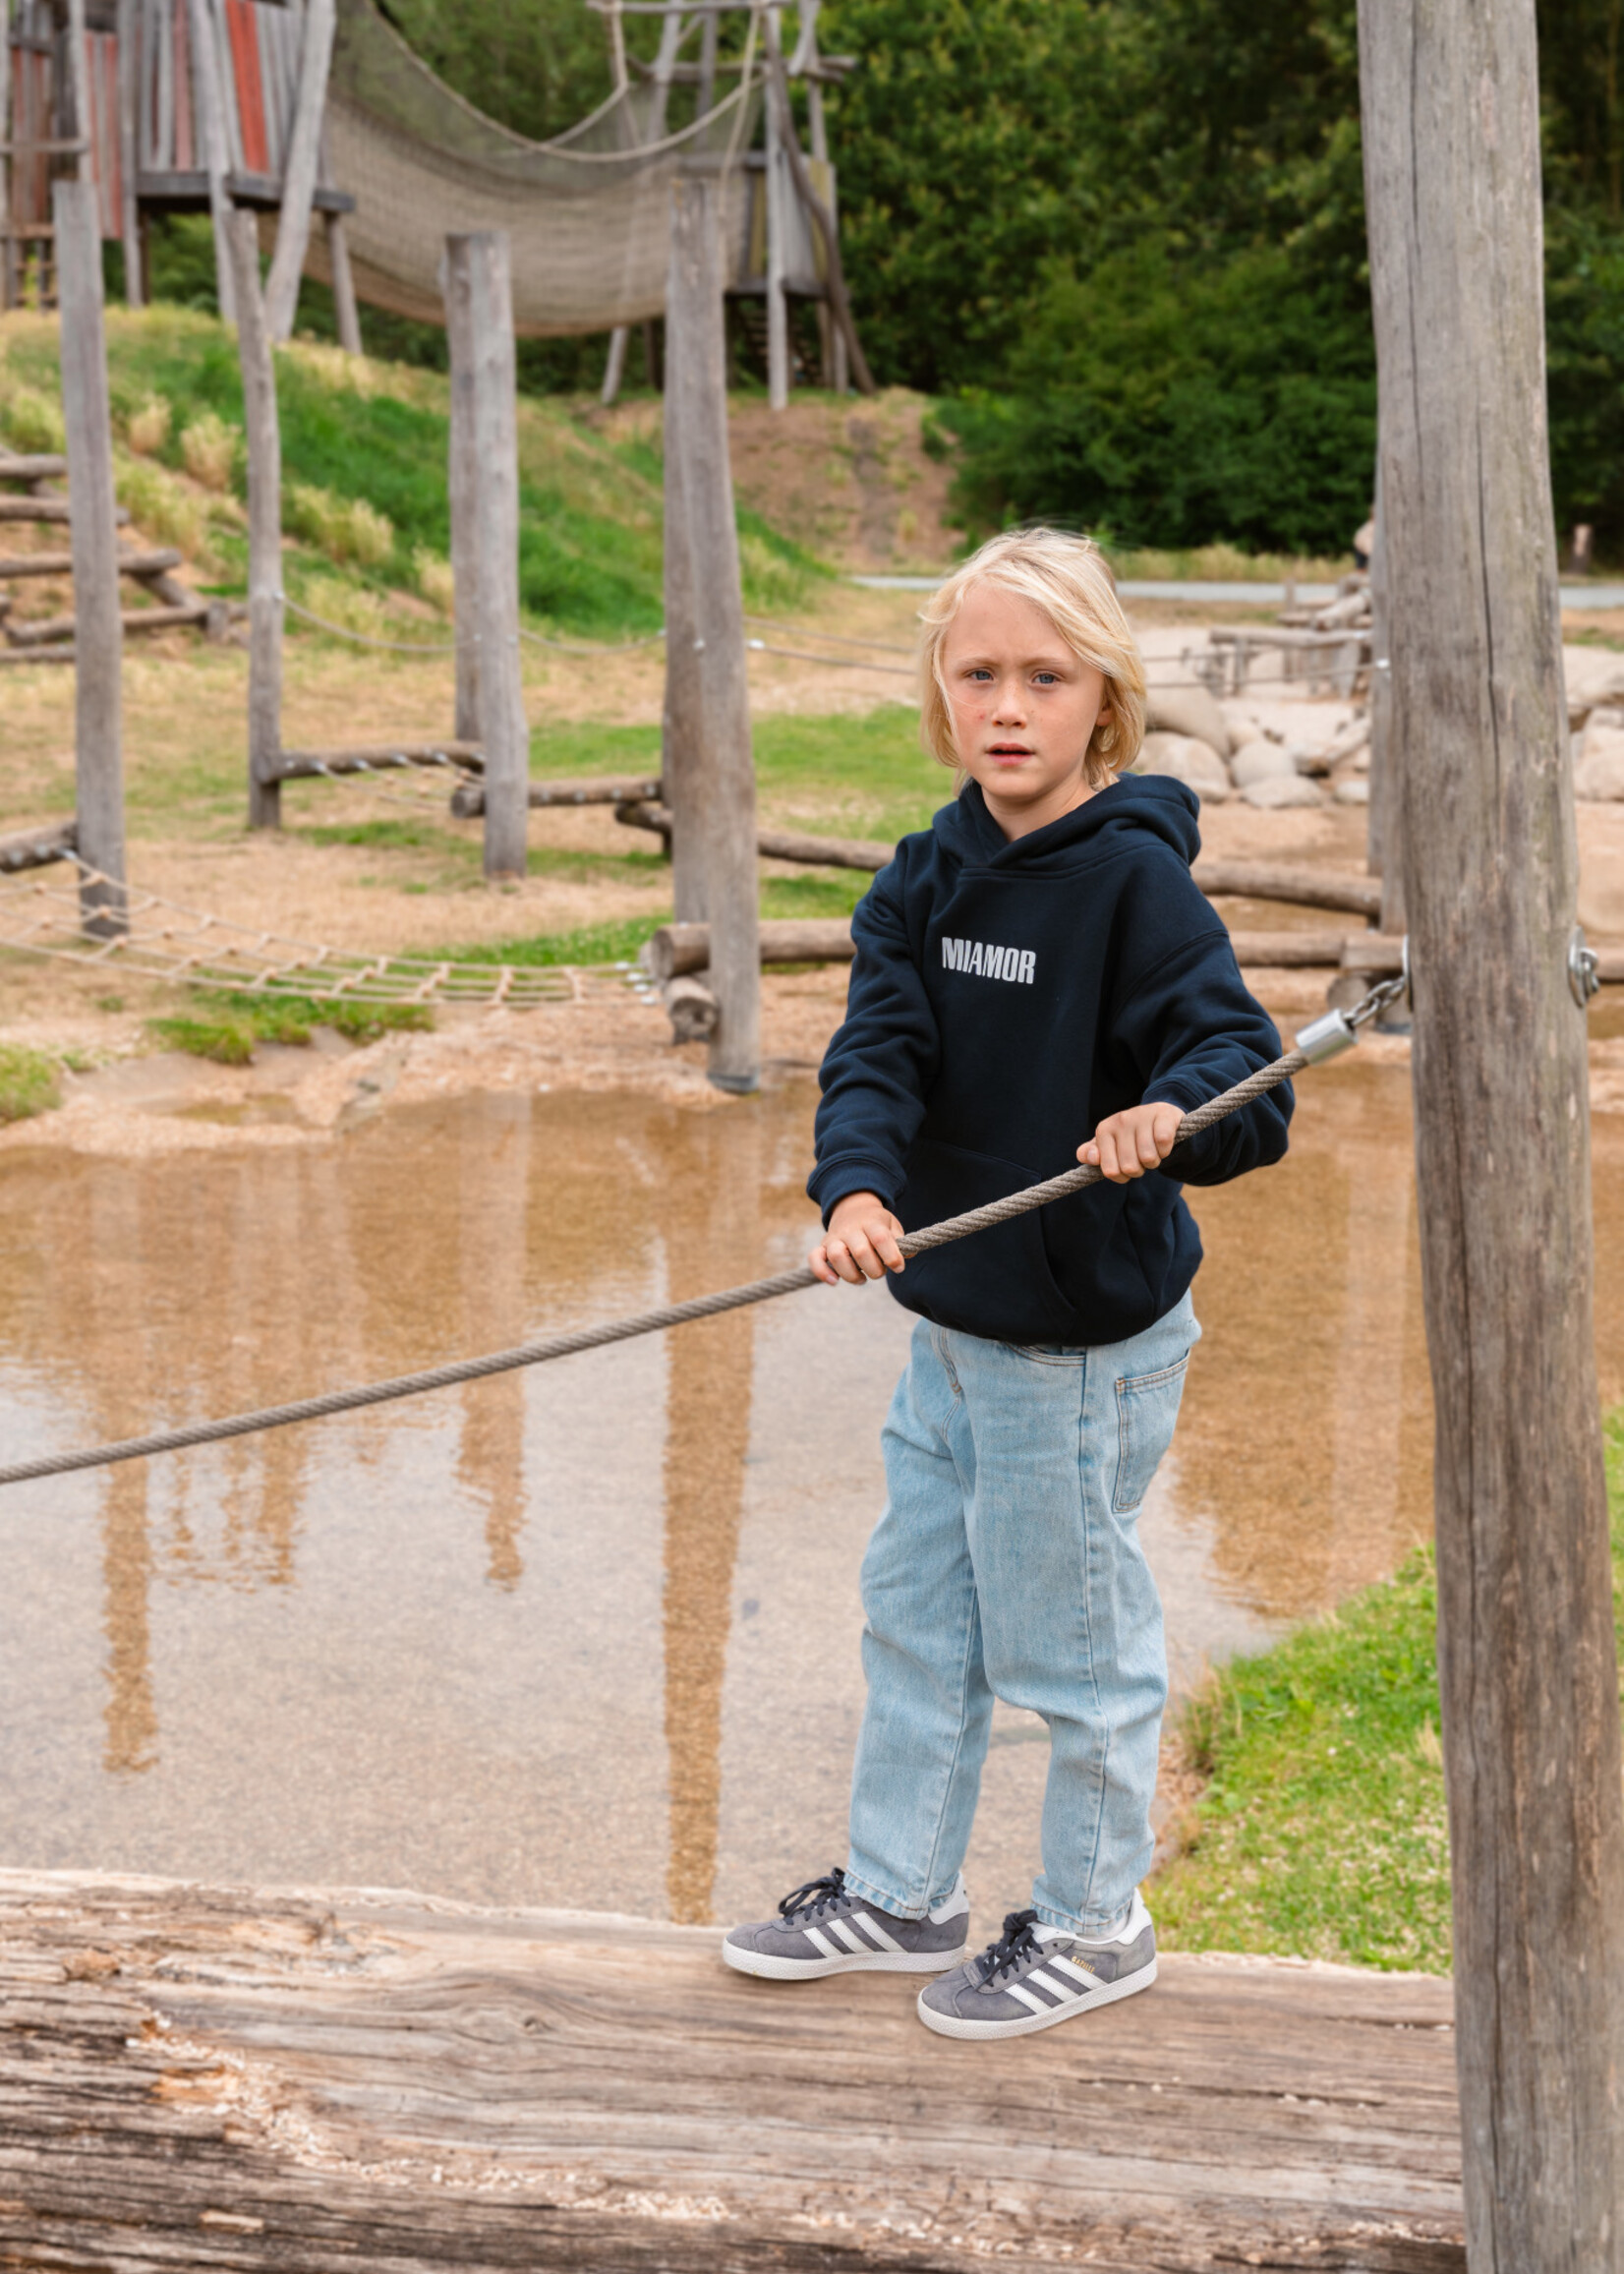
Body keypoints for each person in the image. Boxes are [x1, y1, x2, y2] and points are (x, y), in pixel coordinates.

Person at [722, 527, 1293, 2041]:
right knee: (918, 1614)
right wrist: (855, 1182)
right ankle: (904, 1889)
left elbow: (1246, 1071)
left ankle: (1101, 1922)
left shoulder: (1134, 886)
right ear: (941, 691)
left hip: (1085, 1348)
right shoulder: (924, 872)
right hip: (958, 1337)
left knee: (1070, 1640)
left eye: (1046, 675)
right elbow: (878, 1053)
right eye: (979, 673)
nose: (1010, 705)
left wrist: (1169, 1113)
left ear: (1105, 699)